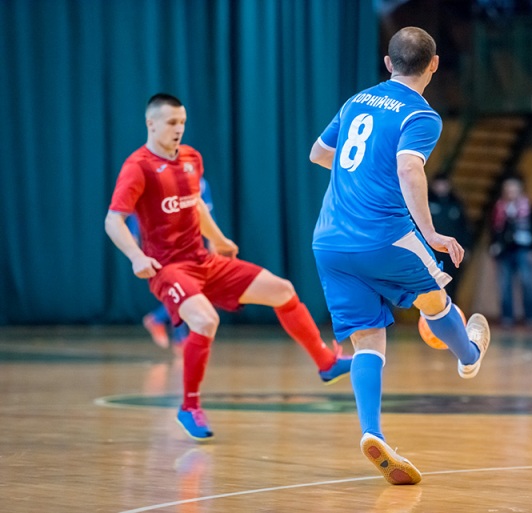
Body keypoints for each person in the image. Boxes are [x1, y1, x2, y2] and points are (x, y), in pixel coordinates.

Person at [105, 93, 351, 441]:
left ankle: (326, 362)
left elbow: (196, 206)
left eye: (182, 122)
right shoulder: (138, 166)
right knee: (206, 321)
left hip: (204, 261)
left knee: (282, 291)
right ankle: (189, 407)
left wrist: (219, 240)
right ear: (151, 124)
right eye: (172, 122)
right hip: (168, 269)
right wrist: (136, 256)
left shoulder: (191, 158)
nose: (179, 129)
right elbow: (113, 220)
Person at [308, 27, 491, 485]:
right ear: (434, 65)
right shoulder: (421, 114)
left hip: (330, 241)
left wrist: (361, 175)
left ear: (388, 64)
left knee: (368, 342)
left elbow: (318, 154)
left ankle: (373, 433)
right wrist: (430, 233)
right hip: (384, 237)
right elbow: (409, 168)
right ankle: (469, 355)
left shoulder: (356, 101)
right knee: (436, 301)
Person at [128, 176, 215, 350]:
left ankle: (176, 335)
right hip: (163, 243)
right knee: (183, 288)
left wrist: (214, 241)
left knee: (184, 289)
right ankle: (163, 323)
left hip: (189, 243)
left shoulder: (200, 182)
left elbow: (208, 212)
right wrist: (133, 235)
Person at [489, 176, 532, 327]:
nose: (511, 192)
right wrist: (493, 246)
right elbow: (493, 229)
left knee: (527, 283)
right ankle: (507, 316)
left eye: (514, 189)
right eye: (508, 189)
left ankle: (530, 316)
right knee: (504, 285)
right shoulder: (499, 207)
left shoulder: (528, 206)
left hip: (523, 249)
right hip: (505, 251)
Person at [427, 174, 472, 298]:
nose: (441, 187)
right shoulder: (426, 204)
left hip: (452, 252)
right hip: (433, 252)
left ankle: (451, 307)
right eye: (438, 184)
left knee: (452, 284)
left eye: (444, 184)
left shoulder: (456, 204)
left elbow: (464, 227)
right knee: (433, 285)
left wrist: (466, 246)